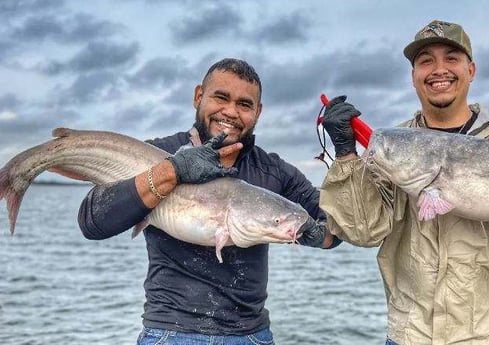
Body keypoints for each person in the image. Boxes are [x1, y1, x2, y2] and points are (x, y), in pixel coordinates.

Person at [320, 20, 489, 345]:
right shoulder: (392, 148)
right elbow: (363, 231)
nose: (439, 69)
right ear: (413, 76)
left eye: (451, 58)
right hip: (412, 337)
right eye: (425, 60)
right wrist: (345, 157)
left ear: (471, 69)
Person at [77, 58, 340, 345]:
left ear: (258, 112)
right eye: (221, 97)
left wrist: (346, 152)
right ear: (198, 96)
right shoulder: (156, 154)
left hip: (252, 335)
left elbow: (336, 226)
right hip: (169, 333)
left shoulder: (274, 171)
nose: (231, 112)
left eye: (244, 104)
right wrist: (172, 170)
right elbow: (92, 222)